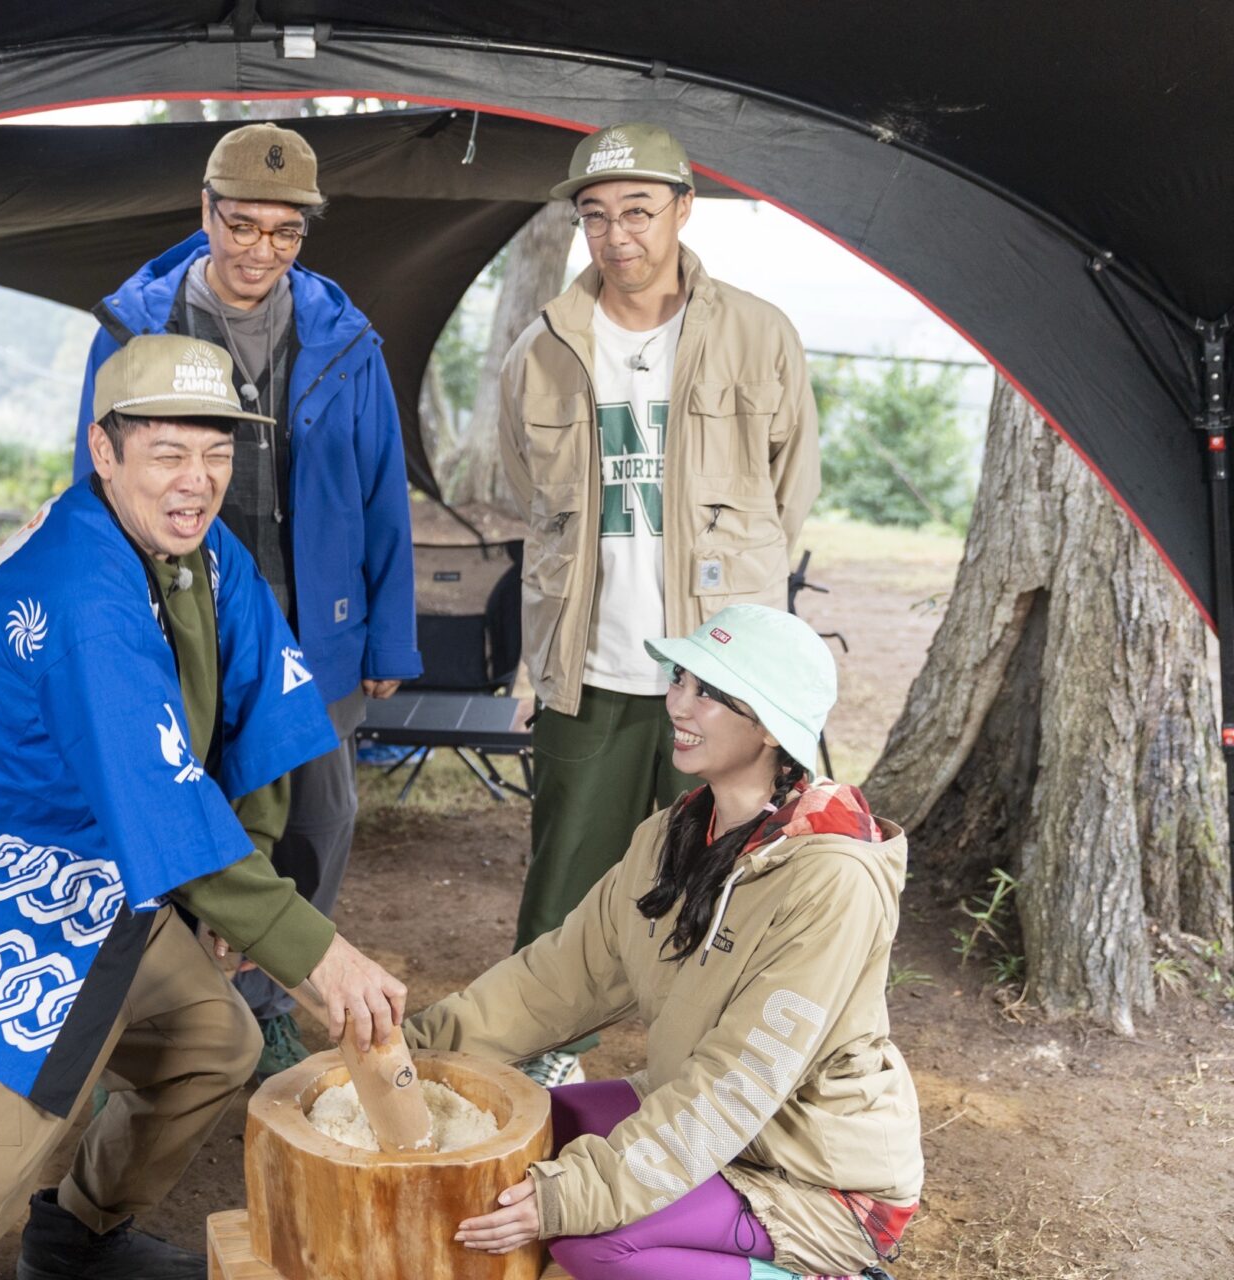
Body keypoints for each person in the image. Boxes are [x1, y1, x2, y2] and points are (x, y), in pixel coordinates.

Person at [0, 335, 407, 1280]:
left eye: (217, 454)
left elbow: (268, 709)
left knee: (215, 1042)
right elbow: (158, 796)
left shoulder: (207, 556)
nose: (197, 481)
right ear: (104, 450)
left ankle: (74, 1239)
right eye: (168, 453)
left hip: (97, 858)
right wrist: (315, 954)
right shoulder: (81, 588)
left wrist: (243, 881)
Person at [403, 604, 920, 1280]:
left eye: (708, 692)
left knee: (591, 1234)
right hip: (712, 1126)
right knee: (513, 1133)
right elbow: (560, 977)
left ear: (767, 724)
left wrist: (578, 1195)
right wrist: (410, 1056)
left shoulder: (833, 880)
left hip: (815, 1176)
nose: (677, 700)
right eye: (680, 678)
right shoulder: (675, 833)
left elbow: (737, 1082)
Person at [75, 121, 421, 1077]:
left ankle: (266, 1001)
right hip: (174, 618)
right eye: (241, 225)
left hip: (314, 628)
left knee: (320, 814)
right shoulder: (134, 329)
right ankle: (148, 1025)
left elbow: (380, 488)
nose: (259, 251)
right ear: (205, 213)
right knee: (163, 806)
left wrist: (388, 635)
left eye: (284, 232)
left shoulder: (344, 339)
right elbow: (90, 488)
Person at [499, 122, 821, 1085]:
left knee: (735, 878)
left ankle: (717, 1069)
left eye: (638, 210)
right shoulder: (545, 348)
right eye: (594, 215)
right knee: (566, 886)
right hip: (590, 669)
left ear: (684, 209)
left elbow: (789, 489)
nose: (617, 234)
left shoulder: (757, 334)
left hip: (719, 676)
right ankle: (545, 1057)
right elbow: (534, 502)